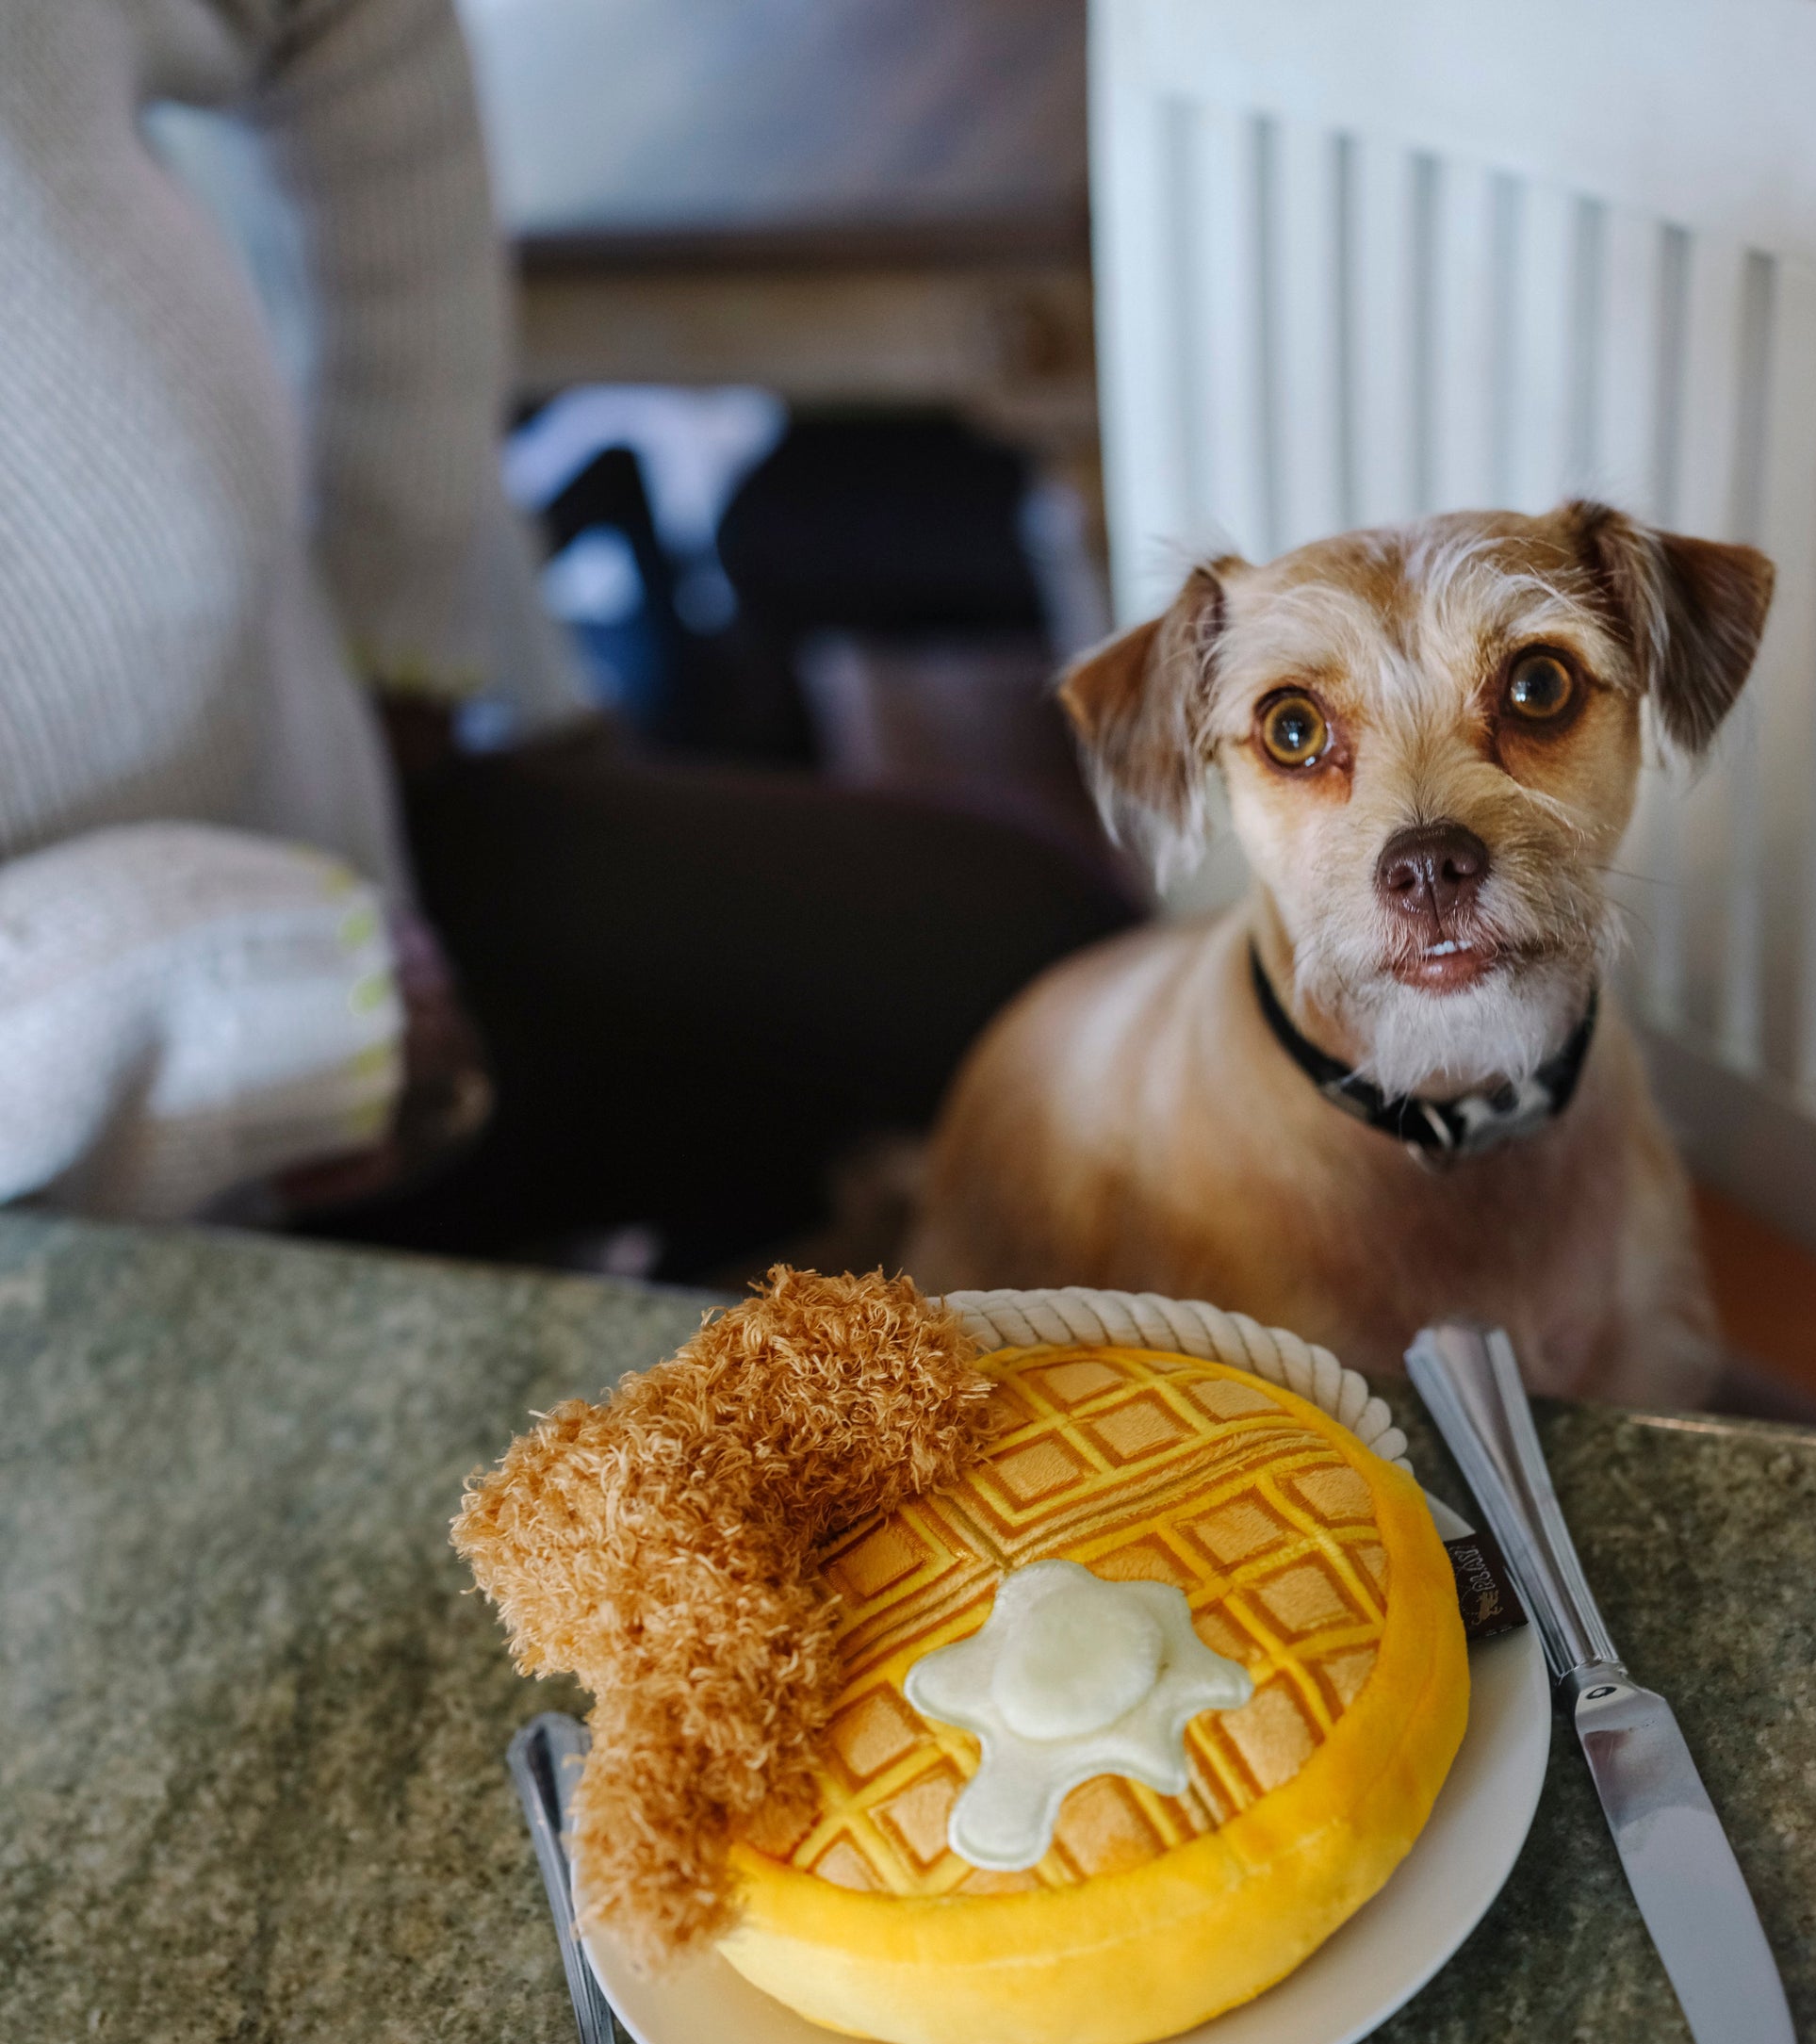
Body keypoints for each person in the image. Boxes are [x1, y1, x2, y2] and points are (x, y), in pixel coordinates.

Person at [0, 0, 1132, 1267]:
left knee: (1053, 976)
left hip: (362, 872)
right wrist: (142, 976)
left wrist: (397, 577)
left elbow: (354, 21)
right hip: (77, 1162)